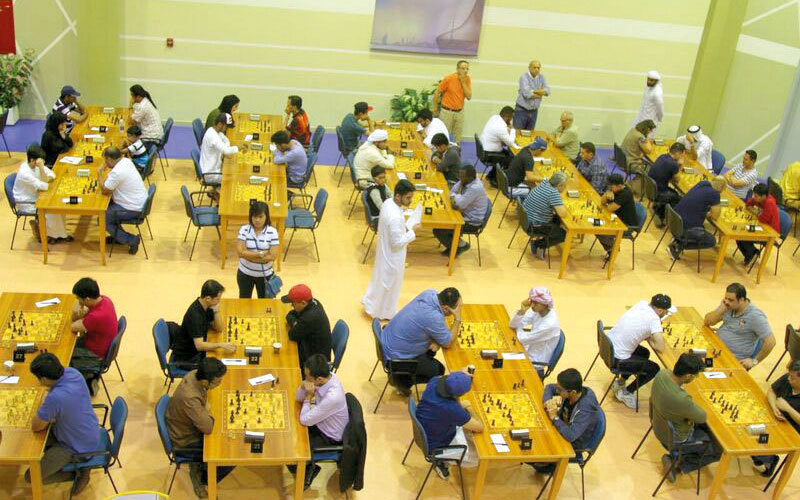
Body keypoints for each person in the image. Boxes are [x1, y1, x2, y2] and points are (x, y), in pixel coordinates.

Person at [28, 353, 98, 494]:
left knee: (31, 477)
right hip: (89, 431)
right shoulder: (73, 373)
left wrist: (44, 409)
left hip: (75, 447)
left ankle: (79, 471)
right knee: (39, 443)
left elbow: (36, 426)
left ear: (44, 379)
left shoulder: (56, 398)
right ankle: (76, 466)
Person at [165, 357, 234, 498]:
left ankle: (201, 468)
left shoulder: (194, 374)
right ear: (205, 382)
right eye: (217, 382)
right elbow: (208, 427)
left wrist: (205, 410)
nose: (219, 384)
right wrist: (207, 412)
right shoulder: (190, 397)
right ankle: (204, 479)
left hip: (186, 424)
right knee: (230, 455)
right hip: (184, 440)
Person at [652, 353, 721, 483]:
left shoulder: (662, 374)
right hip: (675, 439)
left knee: (705, 427)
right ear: (688, 376)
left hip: (658, 425)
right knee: (719, 450)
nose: (696, 378)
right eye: (695, 375)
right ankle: (678, 465)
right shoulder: (682, 399)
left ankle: (679, 459)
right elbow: (702, 417)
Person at [380, 287, 462, 394]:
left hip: (388, 340)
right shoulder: (433, 317)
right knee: (439, 370)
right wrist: (457, 318)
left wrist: (437, 340)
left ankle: (401, 376)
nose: (459, 310)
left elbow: (433, 327)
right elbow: (448, 343)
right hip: (395, 357)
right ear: (446, 308)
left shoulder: (430, 293)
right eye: (458, 308)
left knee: (432, 350)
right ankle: (401, 382)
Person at [361, 180, 419, 320]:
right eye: (408, 198)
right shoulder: (395, 218)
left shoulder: (388, 203)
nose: (410, 201)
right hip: (393, 258)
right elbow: (396, 243)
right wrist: (412, 232)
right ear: (398, 196)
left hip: (384, 251)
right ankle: (384, 313)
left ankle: (374, 306)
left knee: (380, 282)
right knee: (389, 286)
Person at [293, 354, 350, 489]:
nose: (305, 379)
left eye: (308, 377)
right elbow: (298, 398)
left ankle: (308, 470)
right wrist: (303, 386)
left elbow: (305, 420)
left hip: (329, 437)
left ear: (318, 379)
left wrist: (308, 396)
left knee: (292, 449)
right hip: (320, 422)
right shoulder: (328, 377)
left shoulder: (332, 396)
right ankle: (307, 468)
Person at [607, 294, 671, 409]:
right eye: (666, 311)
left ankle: (621, 381)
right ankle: (627, 392)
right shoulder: (654, 320)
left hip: (608, 347)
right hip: (617, 359)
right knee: (654, 368)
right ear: (660, 310)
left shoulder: (642, 303)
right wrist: (649, 339)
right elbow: (660, 347)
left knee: (644, 353)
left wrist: (647, 336)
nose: (666, 314)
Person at [415, 370, 484, 477]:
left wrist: (461, 376)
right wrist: (469, 407)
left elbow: (449, 378)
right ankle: (443, 461)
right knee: (479, 457)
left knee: (467, 429)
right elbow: (480, 427)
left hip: (426, 430)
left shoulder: (434, 381)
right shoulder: (451, 408)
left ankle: (444, 459)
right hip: (436, 446)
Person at [530, 369, 600, 474]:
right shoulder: (574, 390)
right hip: (561, 428)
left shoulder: (585, 409)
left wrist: (555, 418)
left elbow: (571, 435)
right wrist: (547, 401)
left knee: (532, 451)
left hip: (572, 444)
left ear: (573, 393)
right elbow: (549, 387)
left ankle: (550, 466)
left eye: (560, 390)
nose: (557, 391)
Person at [703, 283, 775, 369]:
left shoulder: (755, 316)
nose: (727, 302)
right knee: (693, 362)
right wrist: (720, 309)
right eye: (725, 298)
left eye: (731, 300)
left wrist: (754, 361)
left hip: (730, 359)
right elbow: (707, 322)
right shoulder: (728, 306)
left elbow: (771, 342)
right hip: (715, 350)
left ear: (741, 300)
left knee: (704, 371)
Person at [12, 144, 71, 244]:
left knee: (59, 205)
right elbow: (44, 186)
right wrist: (41, 168)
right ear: (32, 160)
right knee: (52, 208)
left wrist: (43, 172)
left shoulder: (34, 165)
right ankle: (50, 235)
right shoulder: (24, 173)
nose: (42, 163)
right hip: (27, 202)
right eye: (40, 161)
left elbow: (52, 174)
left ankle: (60, 234)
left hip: (37, 194)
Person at [750, 360, 800, 477]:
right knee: (746, 430)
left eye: (792, 378)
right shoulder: (788, 378)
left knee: (756, 439)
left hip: (792, 430)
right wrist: (774, 407)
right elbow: (772, 391)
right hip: (775, 418)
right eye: (789, 375)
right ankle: (760, 455)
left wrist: (788, 408)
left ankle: (769, 458)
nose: (789, 379)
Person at [69, 277, 118, 391]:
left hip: (96, 356)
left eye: (78, 298)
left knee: (63, 358)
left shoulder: (96, 316)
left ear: (87, 299)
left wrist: (76, 311)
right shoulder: (105, 299)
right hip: (101, 345)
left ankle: (84, 382)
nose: (78, 301)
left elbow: (73, 326)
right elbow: (83, 317)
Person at [171, 279, 234, 365]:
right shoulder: (195, 316)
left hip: (197, 348)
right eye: (217, 299)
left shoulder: (207, 305)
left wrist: (217, 311)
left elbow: (219, 329)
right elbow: (199, 346)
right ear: (208, 298)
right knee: (220, 365)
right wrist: (220, 345)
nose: (219, 302)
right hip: (188, 358)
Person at [100, 147, 148, 255]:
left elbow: (104, 190)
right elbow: (110, 180)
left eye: (105, 160)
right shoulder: (126, 161)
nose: (105, 163)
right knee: (107, 208)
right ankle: (118, 236)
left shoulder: (117, 172)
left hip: (133, 208)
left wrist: (99, 173)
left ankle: (131, 240)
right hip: (138, 202)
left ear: (110, 159)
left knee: (103, 217)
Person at [434, 164, 489, 257]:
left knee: (439, 229)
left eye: (462, 177)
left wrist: (454, 198)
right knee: (442, 222)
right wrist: (455, 198)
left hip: (472, 222)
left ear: (470, 178)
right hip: (463, 214)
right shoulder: (465, 181)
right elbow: (452, 192)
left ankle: (458, 247)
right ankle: (458, 243)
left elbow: (459, 204)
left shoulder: (475, 188)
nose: (460, 178)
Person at [510, 287, 561, 378]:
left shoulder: (550, 324)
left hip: (534, 362)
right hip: (526, 348)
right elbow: (513, 325)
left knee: (503, 359)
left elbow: (522, 339)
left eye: (536, 303)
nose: (532, 305)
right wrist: (522, 311)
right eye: (532, 301)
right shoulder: (538, 310)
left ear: (545, 304)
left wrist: (520, 329)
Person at [669, 176, 724, 260]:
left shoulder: (702, 183)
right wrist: (710, 212)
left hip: (674, 219)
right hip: (683, 227)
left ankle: (678, 240)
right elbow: (715, 216)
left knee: (702, 228)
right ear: (721, 188)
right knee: (711, 241)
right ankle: (678, 245)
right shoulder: (715, 193)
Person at [282, 284, 332, 369]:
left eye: (293, 304)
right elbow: (291, 314)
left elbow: (292, 335)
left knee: (284, 359)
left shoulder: (309, 318)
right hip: (312, 347)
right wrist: (296, 323)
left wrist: (296, 323)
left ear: (303, 303)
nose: (292, 306)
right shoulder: (314, 302)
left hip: (316, 363)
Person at [236, 201, 280, 299]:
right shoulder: (244, 229)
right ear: (250, 216)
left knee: (265, 304)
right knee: (244, 302)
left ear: (266, 217)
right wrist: (261, 254)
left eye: (260, 217)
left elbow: (272, 256)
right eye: (254, 216)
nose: (257, 220)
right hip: (245, 274)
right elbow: (240, 252)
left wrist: (248, 256)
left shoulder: (272, 232)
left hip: (265, 276)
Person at [522, 172, 569, 258]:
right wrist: (564, 205)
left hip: (526, 219)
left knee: (557, 219)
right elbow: (563, 214)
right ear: (559, 185)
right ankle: (538, 244)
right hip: (534, 226)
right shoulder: (553, 193)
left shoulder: (544, 183)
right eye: (564, 186)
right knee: (564, 235)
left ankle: (547, 237)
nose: (565, 188)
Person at [735, 183, 781, 266]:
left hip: (770, 232)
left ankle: (752, 254)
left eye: (756, 196)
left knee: (742, 235)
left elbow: (763, 219)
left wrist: (755, 212)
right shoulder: (759, 199)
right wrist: (757, 212)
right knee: (738, 233)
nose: (754, 197)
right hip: (761, 226)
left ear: (763, 196)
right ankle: (752, 254)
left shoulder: (769, 203)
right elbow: (748, 204)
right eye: (754, 195)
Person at [597, 174, 639, 256]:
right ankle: (611, 248)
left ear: (619, 186)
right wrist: (607, 193)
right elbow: (602, 201)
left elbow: (610, 209)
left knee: (600, 230)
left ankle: (612, 249)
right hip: (617, 219)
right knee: (596, 226)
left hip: (626, 225)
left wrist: (607, 202)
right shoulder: (614, 190)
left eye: (611, 186)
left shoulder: (625, 194)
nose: (610, 188)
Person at [200, 113, 241, 192]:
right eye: (226, 126)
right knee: (234, 178)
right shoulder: (213, 136)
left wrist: (225, 149)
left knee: (232, 172)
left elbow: (226, 141)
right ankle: (219, 194)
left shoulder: (214, 131)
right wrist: (238, 148)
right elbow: (226, 151)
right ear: (220, 124)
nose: (227, 129)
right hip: (210, 174)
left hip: (214, 169)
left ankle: (215, 192)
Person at [433, 60, 472, 143]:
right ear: (457, 69)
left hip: (459, 112)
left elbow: (469, 97)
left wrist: (463, 82)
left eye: (467, 69)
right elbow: (436, 93)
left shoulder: (467, 79)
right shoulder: (449, 78)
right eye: (463, 68)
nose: (465, 71)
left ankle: (457, 150)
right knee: (443, 136)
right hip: (447, 112)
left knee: (458, 137)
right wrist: (435, 109)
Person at [648, 142, 686, 227]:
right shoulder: (673, 164)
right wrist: (680, 166)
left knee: (674, 193)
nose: (682, 157)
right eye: (682, 155)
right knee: (678, 198)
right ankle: (661, 216)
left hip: (650, 187)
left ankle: (658, 208)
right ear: (678, 153)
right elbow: (677, 180)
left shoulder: (662, 156)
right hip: (658, 192)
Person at [513, 60, 550, 131]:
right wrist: (540, 94)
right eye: (534, 67)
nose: (537, 69)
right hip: (522, 110)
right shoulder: (524, 77)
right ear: (529, 68)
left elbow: (548, 91)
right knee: (518, 133)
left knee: (530, 134)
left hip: (534, 111)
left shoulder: (542, 77)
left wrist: (533, 91)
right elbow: (527, 94)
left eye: (538, 68)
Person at [479, 106, 517, 172]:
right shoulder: (500, 127)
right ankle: (497, 177)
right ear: (507, 116)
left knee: (510, 155)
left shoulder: (494, 117)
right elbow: (510, 143)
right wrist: (513, 130)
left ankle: (491, 176)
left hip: (483, 151)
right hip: (488, 155)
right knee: (513, 160)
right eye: (511, 117)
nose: (511, 120)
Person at [621, 120, 656, 189]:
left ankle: (636, 182)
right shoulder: (640, 137)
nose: (651, 132)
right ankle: (635, 184)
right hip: (631, 163)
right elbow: (648, 150)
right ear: (647, 129)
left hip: (624, 160)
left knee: (649, 164)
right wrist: (648, 140)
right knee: (653, 169)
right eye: (651, 130)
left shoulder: (633, 130)